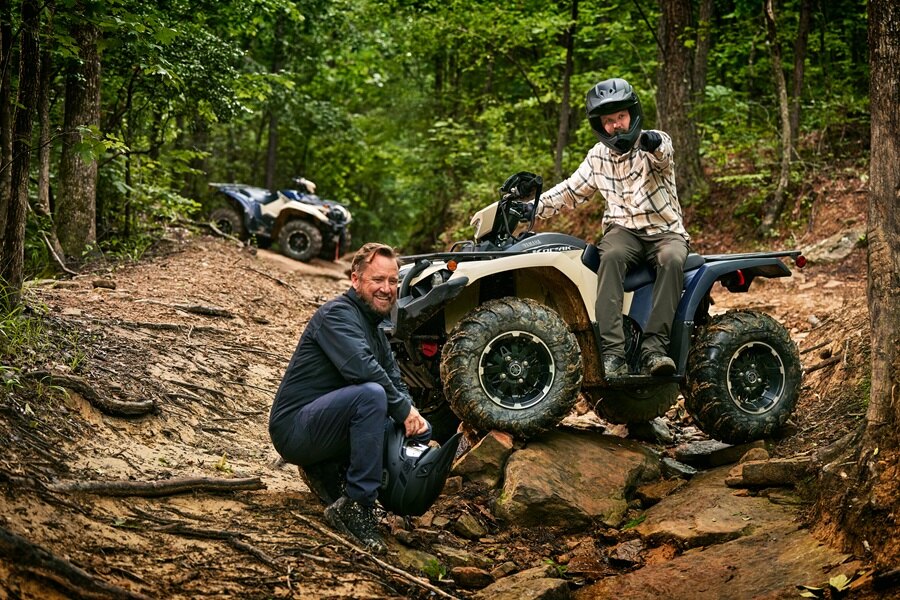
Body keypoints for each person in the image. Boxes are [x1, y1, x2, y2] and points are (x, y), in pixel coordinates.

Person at [269, 242, 431, 554]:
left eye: (393, 281)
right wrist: (402, 409)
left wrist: (413, 416)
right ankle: (356, 504)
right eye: (377, 280)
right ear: (355, 279)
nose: (387, 288)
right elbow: (363, 369)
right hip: (294, 429)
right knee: (372, 396)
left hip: (329, 427)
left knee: (416, 425)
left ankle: (332, 474)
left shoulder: (375, 329)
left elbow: (395, 380)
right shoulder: (337, 315)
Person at [533, 77, 690, 378]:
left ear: (632, 114)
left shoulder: (653, 142)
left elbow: (664, 153)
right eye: (609, 121)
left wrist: (653, 144)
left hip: (664, 230)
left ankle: (654, 350)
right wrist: (530, 207)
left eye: (621, 116)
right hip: (623, 231)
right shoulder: (598, 156)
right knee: (611, 256)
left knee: (672, 260)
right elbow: (570, 191)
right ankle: (614, 354)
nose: (617, 125)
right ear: (600, 125)